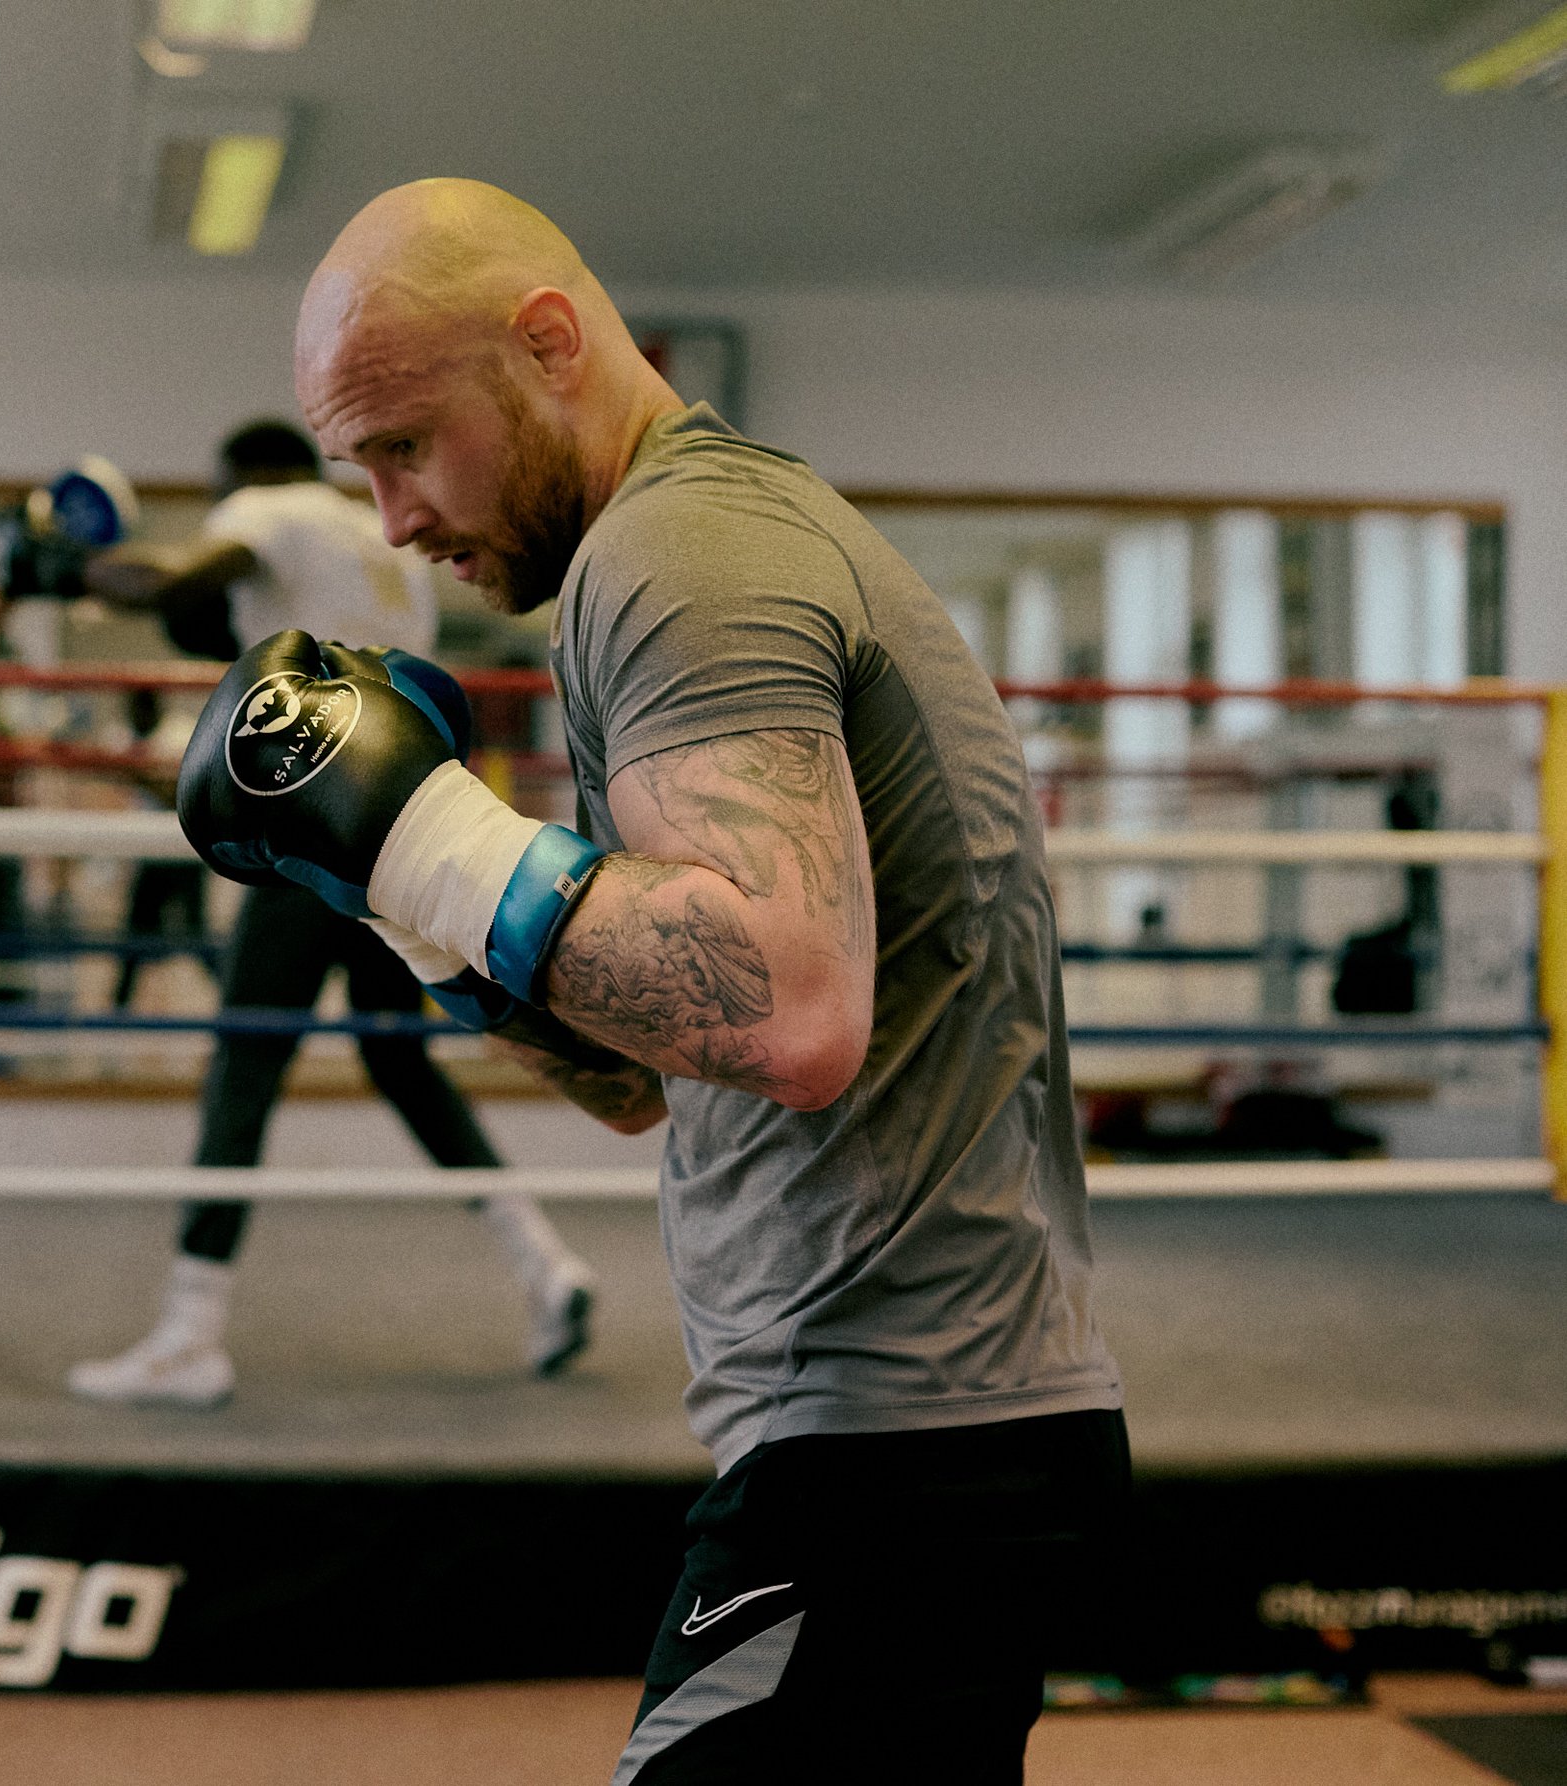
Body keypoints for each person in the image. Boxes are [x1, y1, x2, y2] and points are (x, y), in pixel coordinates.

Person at [174, 181, 1128, 1781]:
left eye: (406, 444)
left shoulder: (680, 549)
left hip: (890, 1438)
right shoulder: (700, 545)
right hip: (921, 1425)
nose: (397, 520)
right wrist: (414, 908)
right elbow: (651, 1074)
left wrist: (431, 836)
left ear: (548, 343)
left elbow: (784, 1010)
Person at [66, 420, 600, 1408]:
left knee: (247, 1049)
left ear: (238, 475)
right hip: (408, 825)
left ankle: (190, 1331)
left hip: (318, 828)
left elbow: (185, 581)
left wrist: (83, 569)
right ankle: (545, 1263)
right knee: (397, 1059)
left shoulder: (266, 509)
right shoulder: (363, 532)